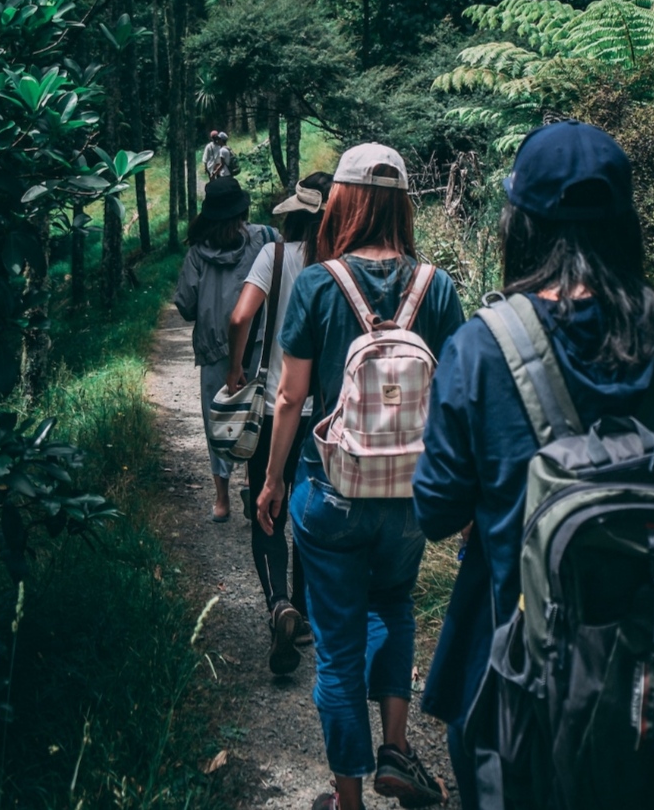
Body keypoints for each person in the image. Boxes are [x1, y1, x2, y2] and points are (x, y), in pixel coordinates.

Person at [412, 120, 654, 808]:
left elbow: (437, 509)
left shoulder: (482, 349)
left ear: (519, 225)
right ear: (626, 226)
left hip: (518, 701)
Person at [256, 143, 464, 810]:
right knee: (393, 604)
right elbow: (456, 397)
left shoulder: (319, 283)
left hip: (333, 489)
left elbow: (290, 397)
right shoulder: (437, 286)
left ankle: (348, 801)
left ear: (340, 201)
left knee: (338, 650)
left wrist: (272, 481)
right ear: (403, 206)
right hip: (410, 495)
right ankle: (395, 749)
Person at [226, 172, 334, 676]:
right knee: (308, 511)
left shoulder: (274, 256)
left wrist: (235, 367)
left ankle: (278, 603)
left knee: (266, 510)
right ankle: (306, 614)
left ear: (294, 215)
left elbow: (239, 317)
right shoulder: (341, 265)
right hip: (326, 416)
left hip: (274, 408)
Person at [174, 177, 279, 523]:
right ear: (242, 211)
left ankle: (222, 500)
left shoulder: (197, 253)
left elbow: (186, 305)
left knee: (217, 419)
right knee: (258, 413)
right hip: (260, 343)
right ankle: (251, 481)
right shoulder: (266, 238)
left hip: (215, 348)